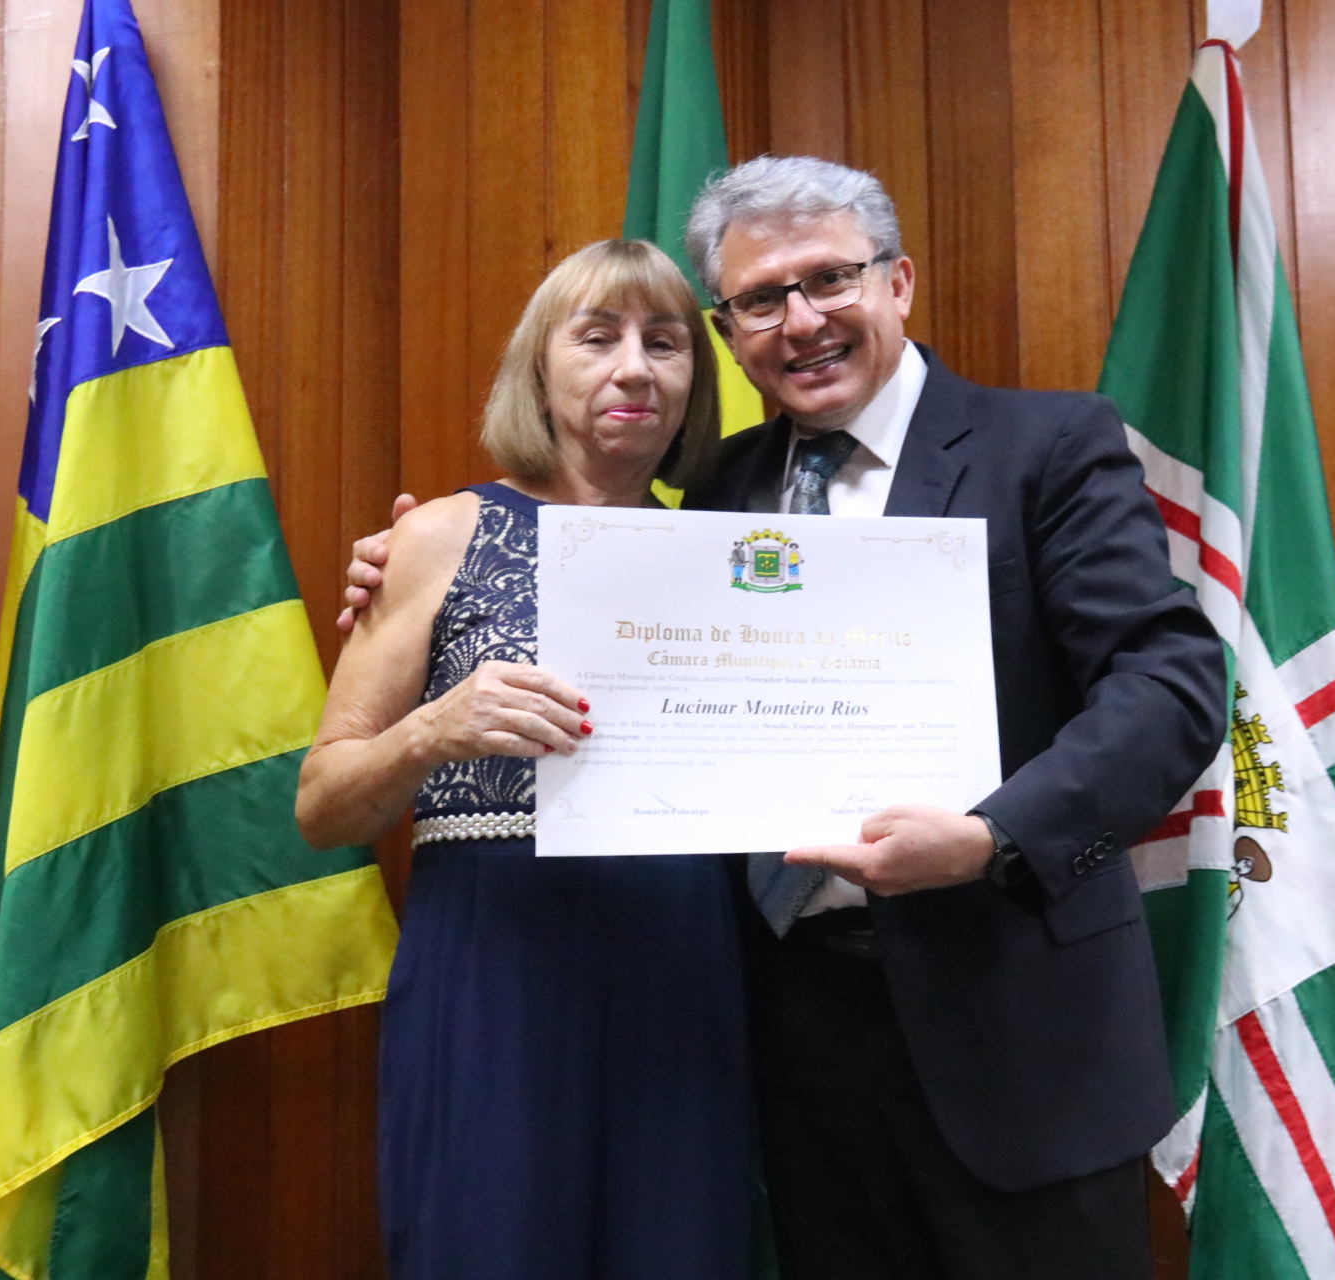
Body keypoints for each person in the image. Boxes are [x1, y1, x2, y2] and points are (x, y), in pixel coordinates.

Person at [342, 158, 1227, 1280]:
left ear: (898, 281)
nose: (801, 321)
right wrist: (406, 573)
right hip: (789, 1048)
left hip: (1016, 1034)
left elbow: (1169, 683)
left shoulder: (1043, 446)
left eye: (829, 279)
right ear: (730, 333)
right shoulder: (710, 495)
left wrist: (991, 835)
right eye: (761, 299)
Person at [295, 239, 748, 1280]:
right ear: (539, 370)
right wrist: (433, 729)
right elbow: (322, 806)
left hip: (682, 959)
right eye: (597, 338)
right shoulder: (440, 535)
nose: (634, 368)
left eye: (666, 342)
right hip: (493, 958)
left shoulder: (727, 555)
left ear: (695, 379)